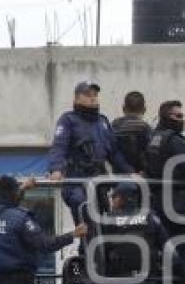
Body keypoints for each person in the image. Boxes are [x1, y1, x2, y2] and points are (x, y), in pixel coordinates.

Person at [47, 81, 134, 225]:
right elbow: (59, 147)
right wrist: (56, 169)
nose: (93, 98)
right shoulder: (68, 120)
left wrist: (130, 172)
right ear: (76, 99)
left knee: (106, 220)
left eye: (95, 95)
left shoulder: (103, 121)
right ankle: (86, 243)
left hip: (98, 182)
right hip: (76, 181)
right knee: (82, 207)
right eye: (87, 95)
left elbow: (115, 153)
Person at [144, 100, 185, 238]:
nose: (182, 120)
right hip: (180, 203)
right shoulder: (174, 140)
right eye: (178, 116)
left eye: (182, 116)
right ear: (166, 117)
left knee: (172, 244)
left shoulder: (154, 138)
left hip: (159, 203)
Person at [111, 91, 152, 174]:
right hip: (142, 178)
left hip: (118, 177)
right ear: (144, 109)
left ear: (123, 108)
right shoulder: (146, 129)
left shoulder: (114, 126)